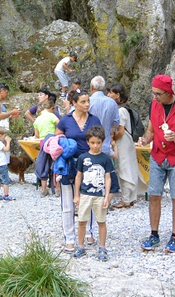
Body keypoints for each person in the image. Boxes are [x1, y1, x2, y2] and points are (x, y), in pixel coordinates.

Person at [137, 74, 175, 253]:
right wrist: (145, 139)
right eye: (154, 93)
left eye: (159, 93)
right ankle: (154, 234)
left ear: (168, 92)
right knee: (154, 195)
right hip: (157, 155)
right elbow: (151, 130)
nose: (155, 97)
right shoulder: (154, 104)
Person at [55, 88, 102, 252]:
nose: (87, 104)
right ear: (74, 103)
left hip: (89, 164)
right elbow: (56, 143)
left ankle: (89, 231)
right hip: (69, 164)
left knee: (89, 200)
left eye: (88, 101)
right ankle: (69, 238)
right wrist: (57, 167)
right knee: (68, 204)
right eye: (83, 101)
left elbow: (100, 141)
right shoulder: (65, 121)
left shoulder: (94, 119)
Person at [73, 126, 113, 261]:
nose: (95, 146)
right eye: (92, 142)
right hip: (85, 194)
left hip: (100, 195)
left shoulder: (106, 159)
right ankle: (80, 246)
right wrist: (76, 195)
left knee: (101, 221)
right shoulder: (83, 158)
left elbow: (108, 177)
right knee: (81, 221)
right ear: (87, 142)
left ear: (102, 142)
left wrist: (107, 196)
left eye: (98, 143)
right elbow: (78, 176)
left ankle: (102, 247)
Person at [108, 84, 143, 208]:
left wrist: (113, 139)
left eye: (111, 93)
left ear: (117, 95)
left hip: (122, 142)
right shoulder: (127, 109)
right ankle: (132, 197)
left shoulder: (120, 111)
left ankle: (126, 200)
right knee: (131, 167)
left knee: (124, 169)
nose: (108, 95)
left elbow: (121, 131)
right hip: (129, 141)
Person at [0, 83, 21, 185]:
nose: (7, 94)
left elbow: (0, 117)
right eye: (6, 92)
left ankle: (0, 177)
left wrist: (11, 116)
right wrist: (11, 112)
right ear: (1, 91)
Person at [88, 76, 119, 158]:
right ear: (104, 87)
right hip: (105, 147)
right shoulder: (112, 103)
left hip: (89, 147)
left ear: (91, 87)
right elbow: (116, 124)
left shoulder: (87, 102)